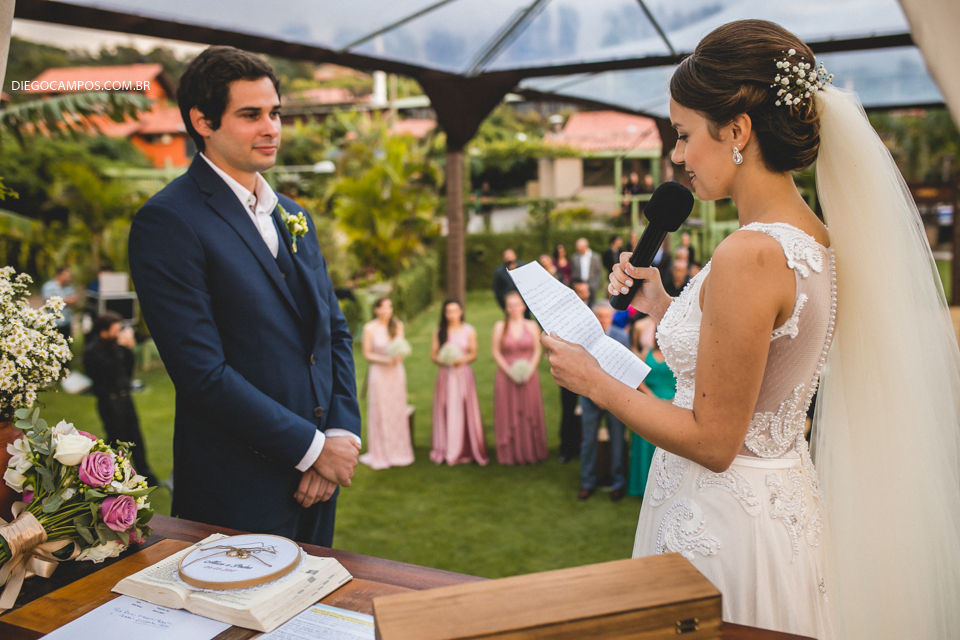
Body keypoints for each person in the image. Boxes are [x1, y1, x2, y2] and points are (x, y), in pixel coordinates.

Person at [541, 20, 960, 640]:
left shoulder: (750, 252)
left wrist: (594, 380)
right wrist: (664, 304)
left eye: (683, 136)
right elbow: (761, 360)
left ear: (736, 130)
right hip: (774, 503)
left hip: (721, 520)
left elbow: (714, 439)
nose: (677, 157)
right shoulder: (812, 237)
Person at [128, 46, 361, 548]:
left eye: (275, 113)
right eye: (251, 115)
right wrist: (311, 449)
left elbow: (332, 331)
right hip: (235, 490)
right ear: (203, 121)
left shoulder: (293, 214)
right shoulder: (169, 222)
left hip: (319, 483)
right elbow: (201, 374)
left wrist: (340, 433)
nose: (271, 127)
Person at [82, 311, 158, 487]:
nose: (119, 333)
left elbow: (128, 371)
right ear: (104, 331)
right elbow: (108, 372)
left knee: (136, 437)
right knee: (117, 440)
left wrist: (128, 350)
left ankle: (146, 474)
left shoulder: (118, 347)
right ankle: (119, 478)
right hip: (109, 401)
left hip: (126, 398)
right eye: (116, 330)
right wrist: (121, 350)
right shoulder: (92, 351)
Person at [577, 300, 629, 502]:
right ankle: (587, 482)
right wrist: (594, 394)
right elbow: (580, 369)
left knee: (618, 441)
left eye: (606, 316)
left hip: (614, 397)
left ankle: (618, 483)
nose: (603, 320)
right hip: (589, 397)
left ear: (612, 317)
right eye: (599, 316)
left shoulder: (622, 336)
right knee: (588, 441)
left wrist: (608, 396)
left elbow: (625, 368)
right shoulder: (583, 338)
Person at [430, 300, 489, 466]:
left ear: (461, 311)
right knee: (446, 406)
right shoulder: (439, 331)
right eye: (449, 311)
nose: (452, 315)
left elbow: (473, 353)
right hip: (446, 375)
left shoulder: (468, 330)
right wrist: (445, 360)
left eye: (455, 311)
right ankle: (447, 447)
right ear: (445, 313)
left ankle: (466, 447)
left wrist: (460, 360)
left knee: (465, 407)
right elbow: (433, 355)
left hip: (463, 374)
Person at [492, 292, 547, 465]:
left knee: (529, 410)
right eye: (510, 305)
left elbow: (538, 350)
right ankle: (509, 452)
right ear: (506, 308)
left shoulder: (531, 326)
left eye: (517, 304)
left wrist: (530, 369)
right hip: (506, 375)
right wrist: (509, 372)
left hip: (529, 374)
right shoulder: (500, 326)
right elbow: (495, 351)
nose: (514, 309)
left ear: (524, 307)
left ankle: (530, 451)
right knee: (508, 410)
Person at [359, 298, 413, 470]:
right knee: (380, 409)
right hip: (379, 373)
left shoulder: (397, 325)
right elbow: (367, 353)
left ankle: (398, 449)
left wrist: (398, 358)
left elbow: (401, 346)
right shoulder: (370, 328)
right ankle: (380, 451)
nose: (387, 310)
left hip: (396, 372)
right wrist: (385, 360)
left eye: (389, 306)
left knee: (396, 408)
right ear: (376, 310)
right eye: (383, 307)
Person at [626, 317, 674, 498]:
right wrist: (652, 398)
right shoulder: (646, 353)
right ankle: (642, 486)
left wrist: (672, 399)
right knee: (645, 443)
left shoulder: (675, 355)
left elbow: (685, 380)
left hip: (672, 404)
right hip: (648, 402)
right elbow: (638, 378)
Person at [41, 266, 77, 342]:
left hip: (67, 322)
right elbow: (49, 302)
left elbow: (74, 301)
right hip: (54, 323)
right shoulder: (49, 287)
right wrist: (66, 301)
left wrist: (59, 301)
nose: (69, 278)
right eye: (66, 276)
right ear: (59, 275)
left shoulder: (69, 287)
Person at [571, 238, 603, 302]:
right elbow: (573, 271)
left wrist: (596, 284)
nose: (577, 248)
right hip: (580, 285)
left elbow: (599, 271)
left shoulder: (595, 257)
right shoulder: (575, 257)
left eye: (578, 246)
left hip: (592, 284)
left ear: (585, 246)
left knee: (592, 303)